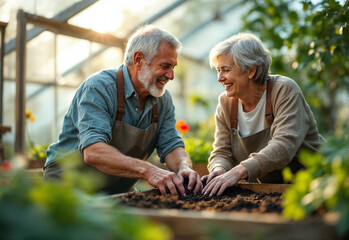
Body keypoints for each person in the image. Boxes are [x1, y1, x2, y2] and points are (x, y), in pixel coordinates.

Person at [43, 25, 202, 195]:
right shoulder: (99, 88)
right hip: (70, 186)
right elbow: (93, 152)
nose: (171, 75)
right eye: (165, 66)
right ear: (138, 60)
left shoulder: (162, 100)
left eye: (173, 67)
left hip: (115, 189)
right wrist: (148, 170)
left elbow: (170, 144)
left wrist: (183, 167)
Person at [201, 33, 325, 196]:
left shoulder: (284, 90)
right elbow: (222, 151)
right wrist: (219, 169)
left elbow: (284, 145)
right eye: (218, 70)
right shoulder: (226, 103)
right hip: (274, 192)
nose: (219, 78)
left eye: (225, 70)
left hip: (316, 185)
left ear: (251, 70)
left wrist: (238, 172)